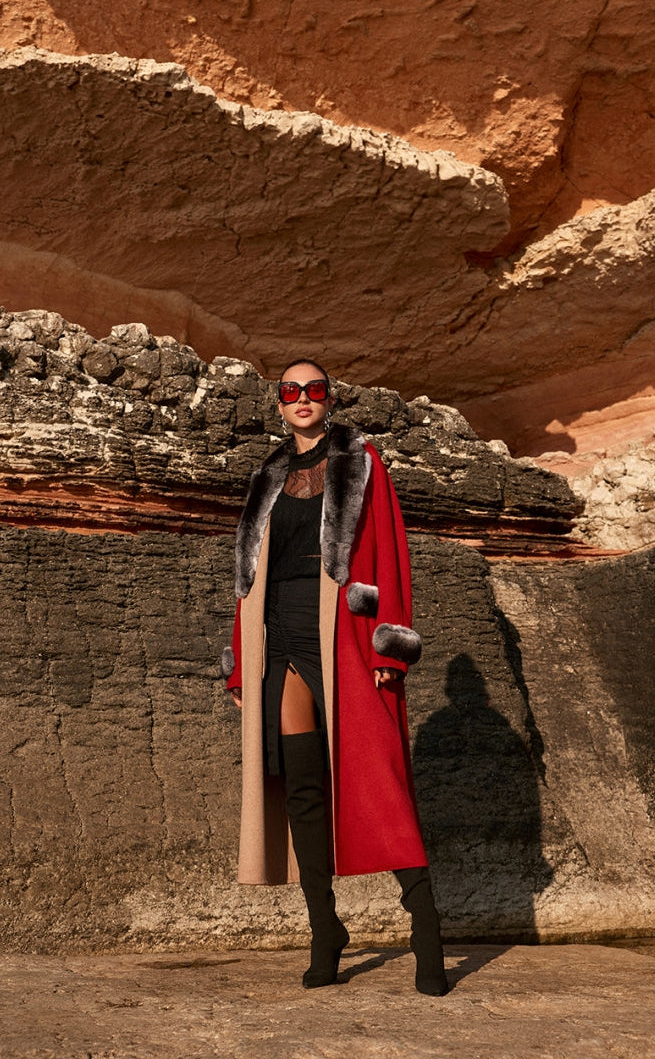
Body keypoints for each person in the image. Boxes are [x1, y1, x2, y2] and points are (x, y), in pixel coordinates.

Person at [222, 359, 448, 996]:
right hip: (277, 634)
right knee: (302, 788)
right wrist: (242, 657)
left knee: (379, 779)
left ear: (329, 399)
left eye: (313, 390)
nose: (301, 399)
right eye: (290, 391)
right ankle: (326, 931)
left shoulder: (361, 460)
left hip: (341, 631)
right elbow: (245, 577)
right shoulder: (267, 474)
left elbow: (390, 552)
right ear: (278, 402)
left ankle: (426, 928)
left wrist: (387, 647)